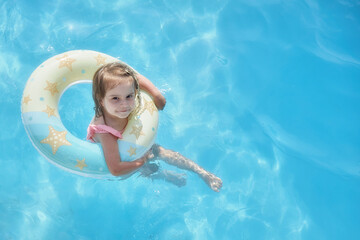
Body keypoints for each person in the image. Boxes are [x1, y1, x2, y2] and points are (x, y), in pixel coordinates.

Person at [87, 62, 222, 192]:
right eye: (115, 98)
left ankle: (202, 173)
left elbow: (137, 78)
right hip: (121, 158)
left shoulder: (123, 99)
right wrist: (142, 161)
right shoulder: (105, 133)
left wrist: (156, 95)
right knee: (147, 169)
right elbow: (116, 169)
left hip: (133, 144)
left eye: (129, 96)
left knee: (161, 152)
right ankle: (165, 176)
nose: (124, 104)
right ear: (101, 101)